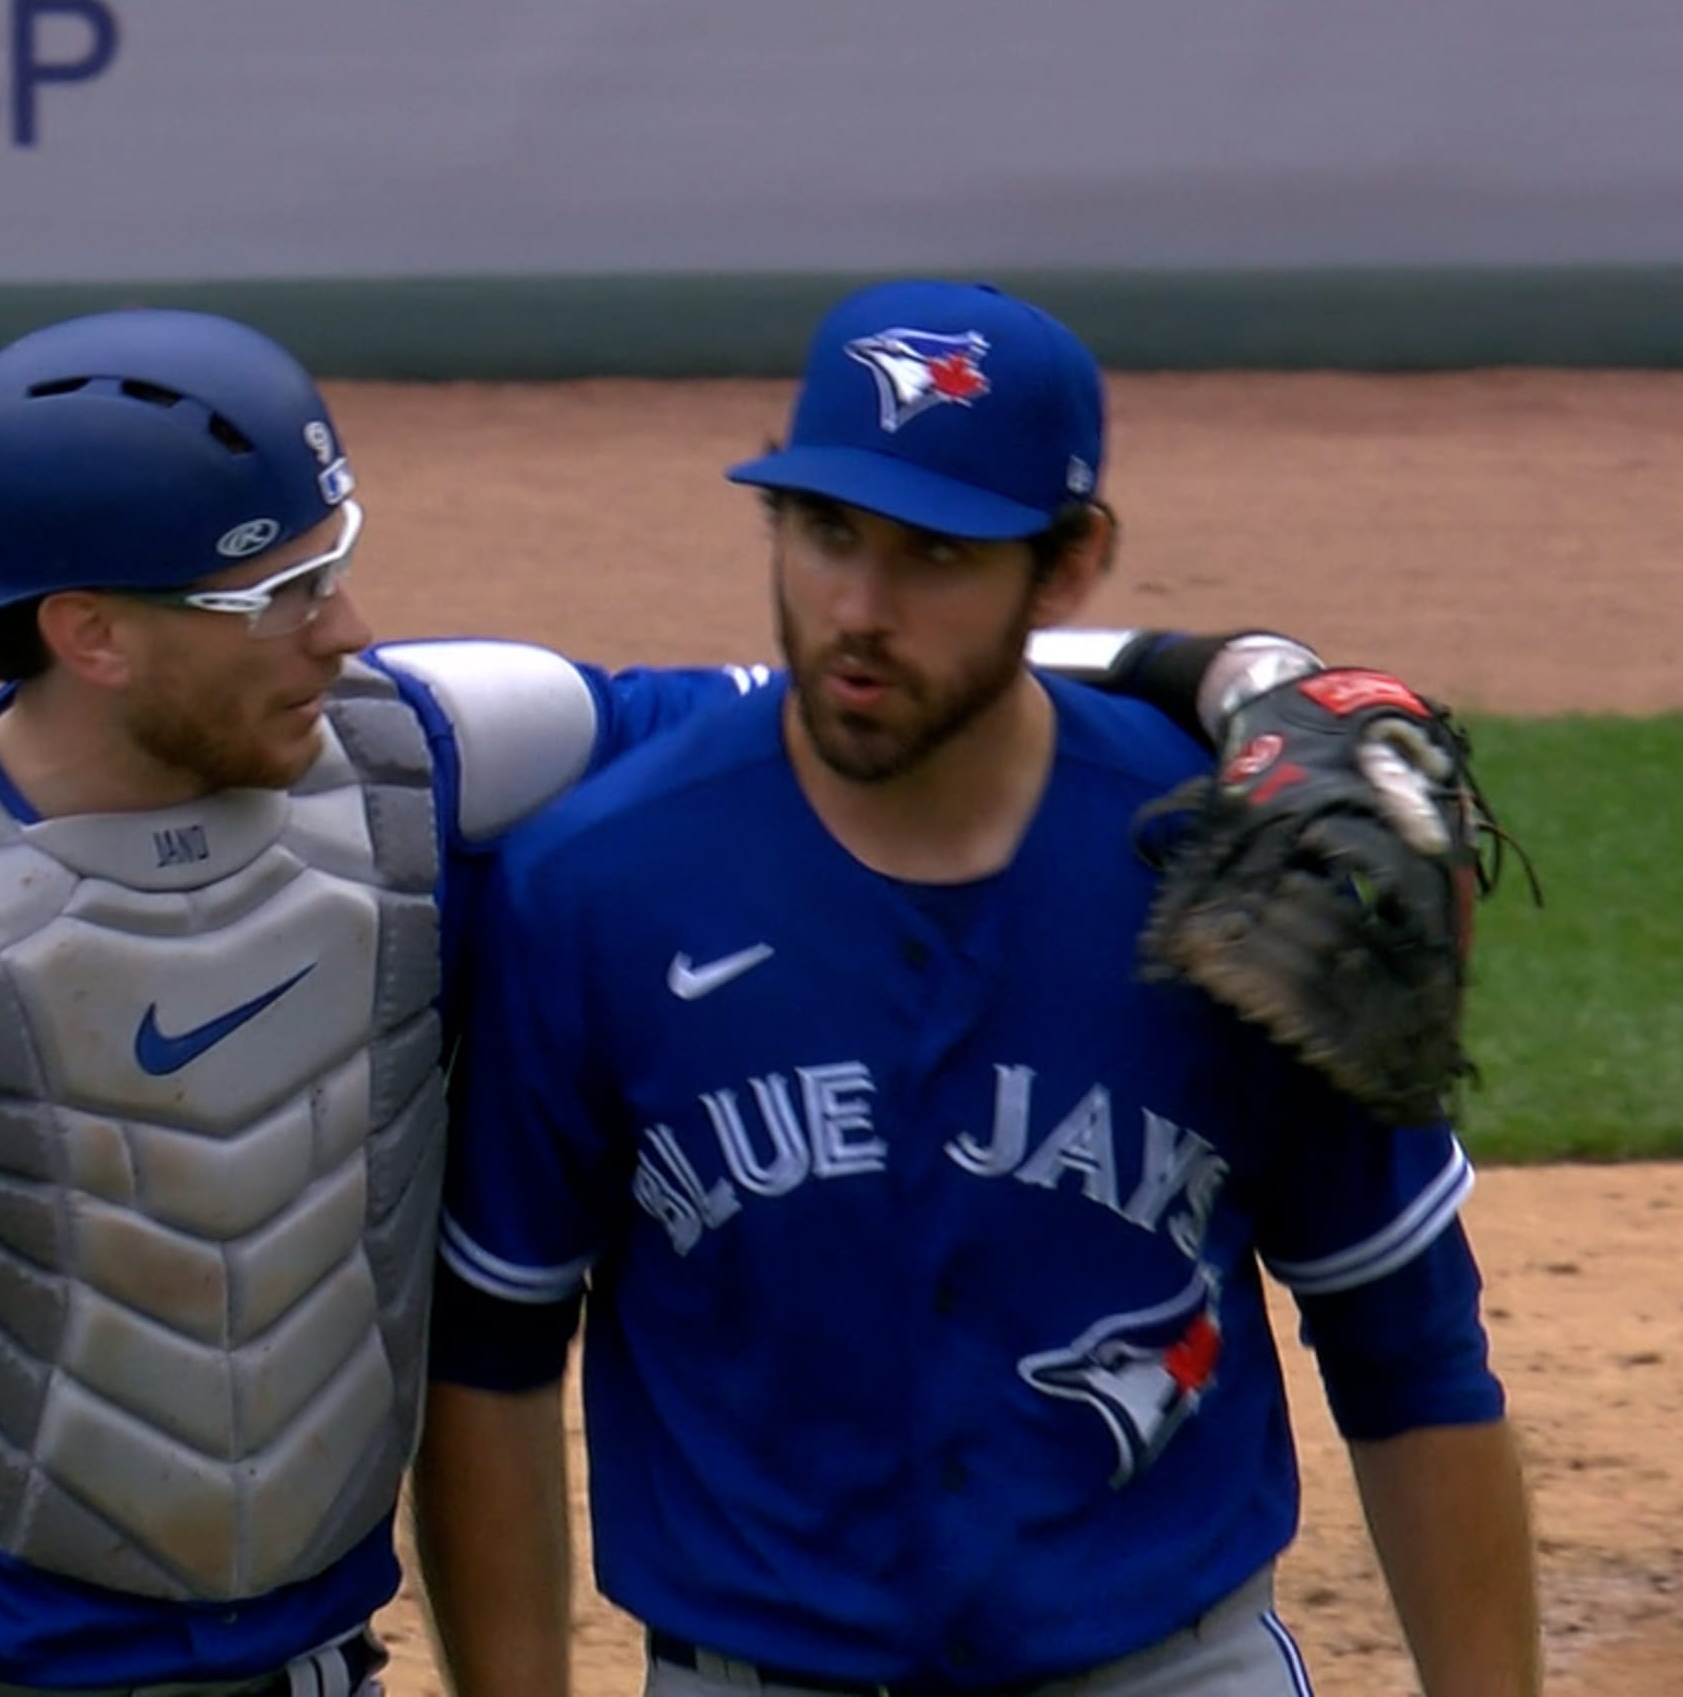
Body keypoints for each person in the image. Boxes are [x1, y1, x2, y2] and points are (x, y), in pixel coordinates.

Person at [0, 304, 1406, 1697]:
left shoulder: (438, 766)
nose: (346, 629)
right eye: (278, 595)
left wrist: (1242, 673)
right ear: (91, 633)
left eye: (337, 564)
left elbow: (815, 698)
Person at [414, 280, 1541, 1697]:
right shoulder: (596, 887)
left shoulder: (1231, 876)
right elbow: (492, 1357)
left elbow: (1411, 1356)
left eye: (937, 555)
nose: (860, 612)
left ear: (1069, 568)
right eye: (827, 535)